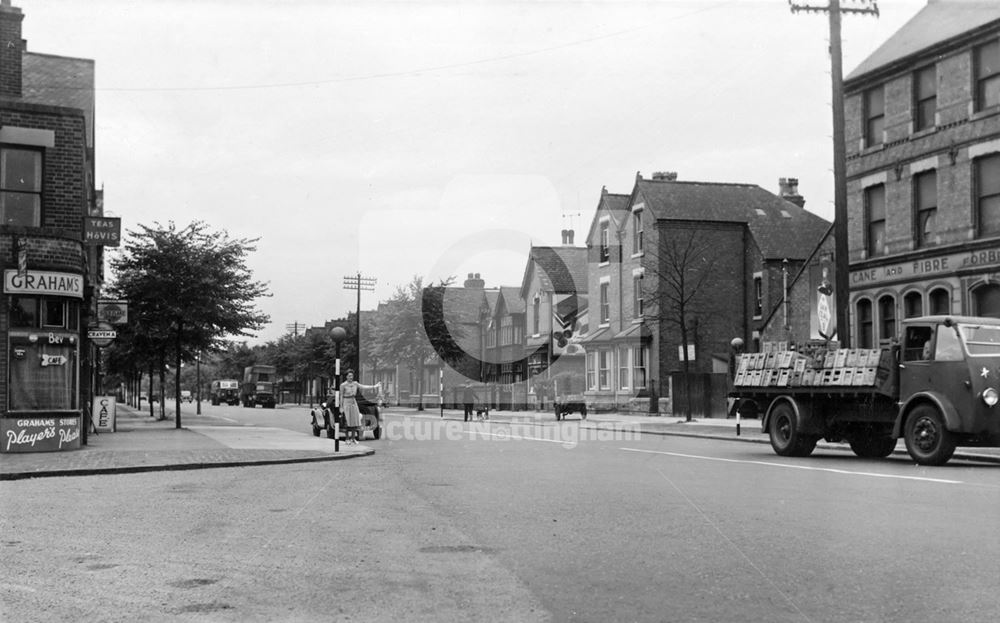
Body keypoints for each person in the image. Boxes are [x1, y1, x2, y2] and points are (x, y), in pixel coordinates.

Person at [339, 370, 380, 445]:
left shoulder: (355, 383)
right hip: (346, 402)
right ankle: (347, 439)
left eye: (352, 376)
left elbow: (364, 387)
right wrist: (341, 407)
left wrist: (374, 386)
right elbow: (341, 396)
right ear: (346, 377)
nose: (351, 377)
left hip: (353, 402)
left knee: (355, 420)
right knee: (347, 421)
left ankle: (353, 438)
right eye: (349, 376)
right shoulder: (343, 385)